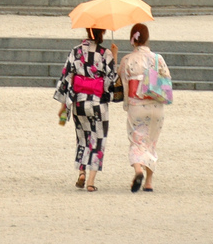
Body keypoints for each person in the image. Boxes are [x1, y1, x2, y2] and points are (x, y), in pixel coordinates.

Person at [54, 27, 118, 191]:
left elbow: (66, 78)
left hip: (78, 102)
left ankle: (81, 172)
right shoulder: (106, 54)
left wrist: (64, 104)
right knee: (98, 140)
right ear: (102, 33)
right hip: (97, 103)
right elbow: (111, 80)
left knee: (82, 138)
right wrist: (114, 57)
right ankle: (90, 181)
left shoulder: (75, 52)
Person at [118, 22, 169, 193]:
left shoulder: (127, 60)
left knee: (137, 140)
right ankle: (149, 182)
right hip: (156, 104)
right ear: (147, 39)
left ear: (132, 39)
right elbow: (166, 79)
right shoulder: (158, 58)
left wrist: (127, 104)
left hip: (137, 104)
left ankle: (138, 170)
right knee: (151, 142)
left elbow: (123, 84)